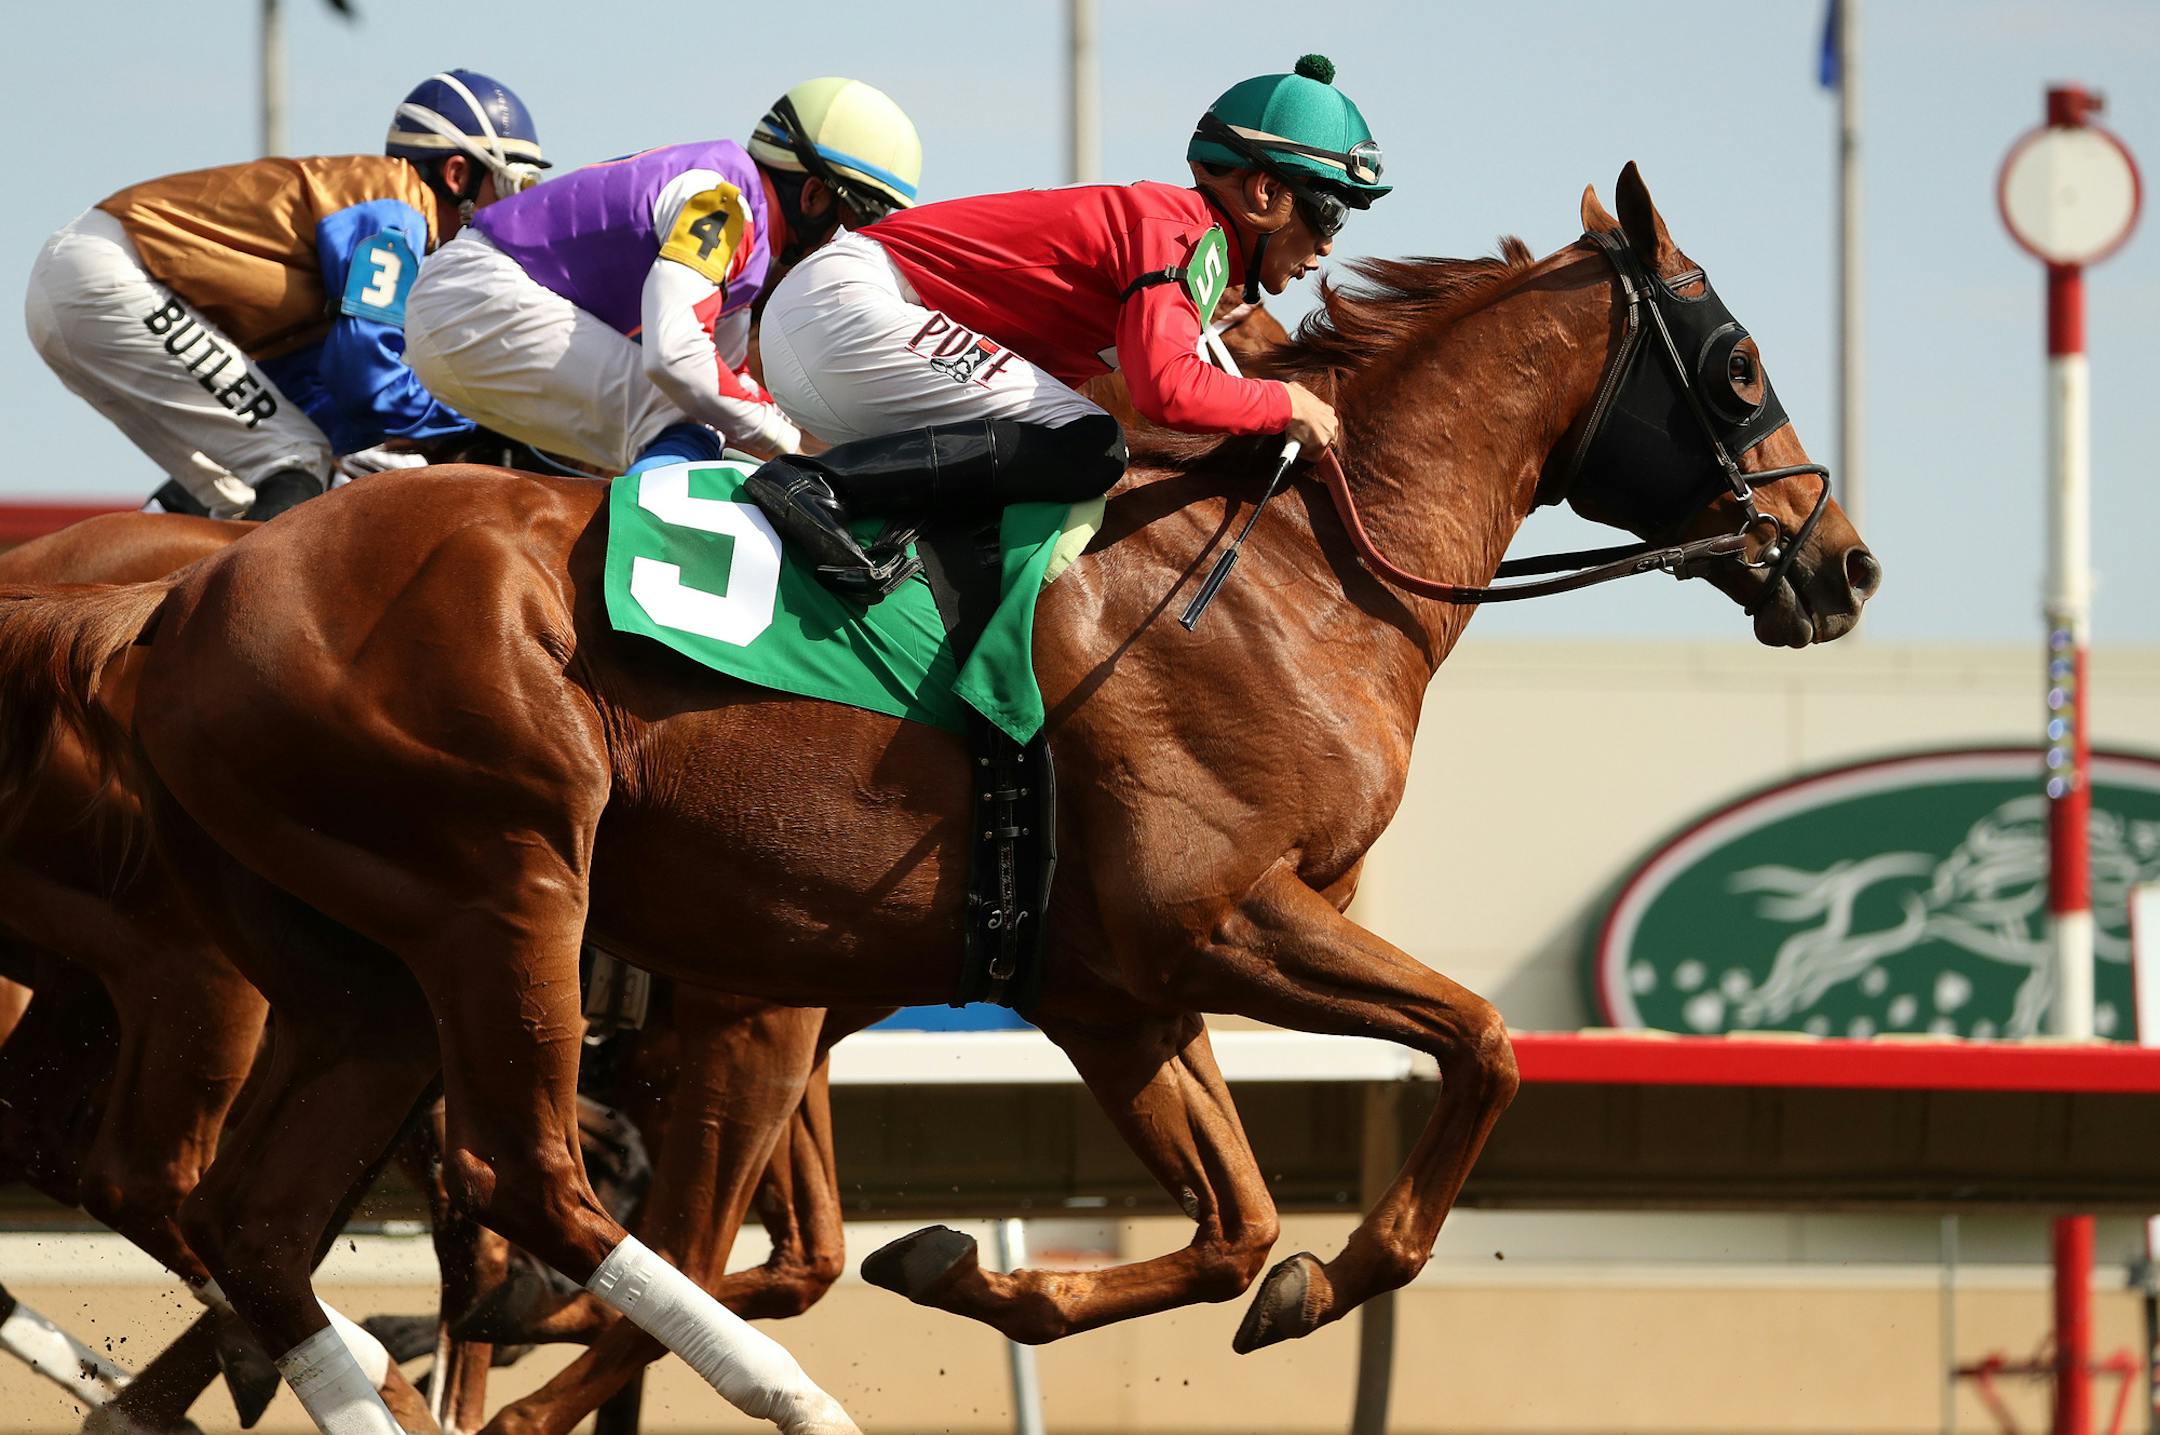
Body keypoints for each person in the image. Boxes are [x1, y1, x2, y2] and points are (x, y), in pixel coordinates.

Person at [742, 53, 1386, 602]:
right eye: (1330, 215)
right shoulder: (1185, 230)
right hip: (847, 308)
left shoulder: (1186, 246)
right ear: (1266, 193)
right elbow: (1165, 391)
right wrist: (1284, 401)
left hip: (835, 330)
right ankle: (811, 483)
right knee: (1091, 444)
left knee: (1057, 451)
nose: (1327, 247)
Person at [24, 70, 546, 520]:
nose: (510, 212)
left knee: (244, 474)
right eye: (512, 185)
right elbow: (369, 379)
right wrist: (490, 416)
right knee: (294, 459)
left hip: (85, 281)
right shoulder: (394, 206)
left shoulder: (367, 235)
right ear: (457, 174)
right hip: (105, 278)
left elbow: (321, 399)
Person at [403, 77, 922, 477]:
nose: (836, 243)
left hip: (470, 304)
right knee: (682, 418)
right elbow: (677, 357)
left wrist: (800, 438)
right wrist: (793, 444)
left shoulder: (742, 234)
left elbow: (724, 378)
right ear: (812, 195)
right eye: (845, 220)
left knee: (703, 429)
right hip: (473, 298)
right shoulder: (724, 202)